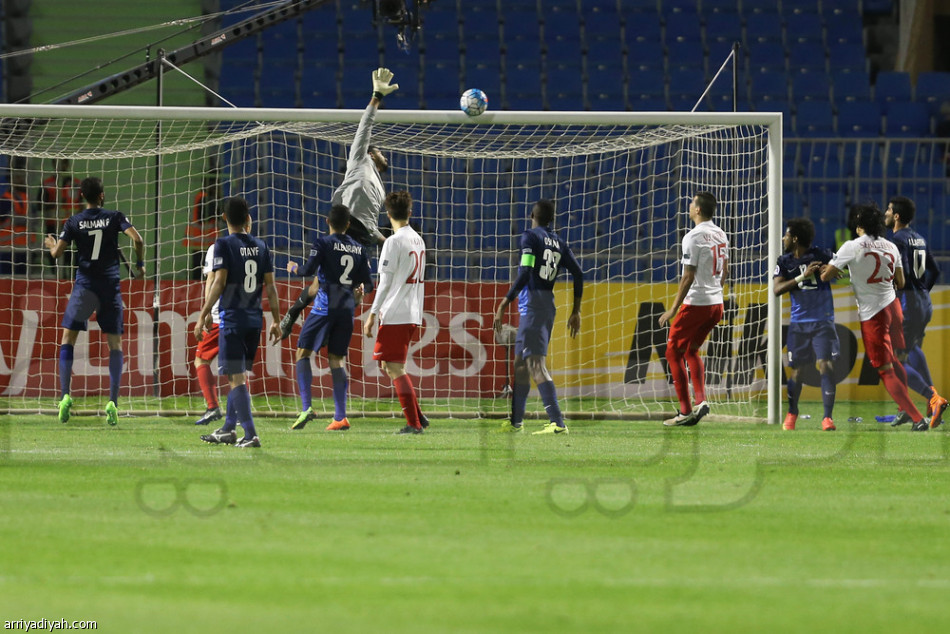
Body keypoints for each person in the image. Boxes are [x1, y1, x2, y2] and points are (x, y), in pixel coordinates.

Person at [278, 67, 398, 339]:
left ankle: (345, 312)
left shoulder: (380, 188)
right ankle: (295, 312)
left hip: (363, 236)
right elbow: (365, 127)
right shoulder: (359, 160)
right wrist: (376, 97)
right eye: (379, 150)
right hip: (345, 225)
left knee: (359, 285)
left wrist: (386, 241)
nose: (382, 153)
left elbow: (369, 222)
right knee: (321, 280)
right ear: (370, 152)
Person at [44, 176, 146, 426]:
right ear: (102, 195)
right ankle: (112, 401)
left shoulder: (74, 221)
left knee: (68, 338)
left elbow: (57, 253)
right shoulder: (115, 216)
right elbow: (138, 239)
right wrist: (140, 265)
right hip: (109, 287)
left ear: (81, 196)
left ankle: (65, 396)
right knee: (115, 344)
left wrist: (50, 245)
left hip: (85, 287)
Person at [820, 204, 929, 431]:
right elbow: (900, 282)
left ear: (859, 226)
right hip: (894, 308)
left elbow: (825, 276)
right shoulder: (890, 246)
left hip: (873, 314)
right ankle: (917, 406)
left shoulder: (852, 246)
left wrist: (829, 269)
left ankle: (917, 417)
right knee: (898, 360)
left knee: (884, 369)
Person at [194, 197, 282, 448]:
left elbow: (218, 282)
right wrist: (276, 321)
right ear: (248, 219)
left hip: (232, 319)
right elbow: (271, 288)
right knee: (238, 376)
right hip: (255, 321)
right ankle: (228, 429)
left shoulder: (223, 245)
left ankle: (251, 434)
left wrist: (203, 314)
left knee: (236, 379)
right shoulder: (261, 246)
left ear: (224, 218)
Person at [493, 199, 583, 435]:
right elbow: (578, 273)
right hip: (542, 305)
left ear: (532, 213)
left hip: (533, 305)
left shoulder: (530, 237)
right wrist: (576, 310)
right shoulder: (560, 243)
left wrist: (505, 301)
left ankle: (558, 422)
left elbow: (526, 271)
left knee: (534, 365)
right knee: (521, 365)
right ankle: (516, 422)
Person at [287, 204, 373, 431]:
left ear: (327, 221)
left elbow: (307, 270)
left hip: (324, 308)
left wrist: (294, 268)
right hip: (346, 310)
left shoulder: (322, 243)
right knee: (336, 359)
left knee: (302, 352)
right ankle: (340, 417)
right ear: (348, 225)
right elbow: (370, 284)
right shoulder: (359, 249)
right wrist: (359, 290)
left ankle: (306, 407)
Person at [658, 192, 728, 427]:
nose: (689, 206)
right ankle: (701, 400)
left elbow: (688, 276)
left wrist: (673, 309)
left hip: (696, 304)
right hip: (716, 304)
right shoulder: (721, 233)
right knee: (691, 350)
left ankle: (685, 411)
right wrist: (716, 293)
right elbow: (725, 269)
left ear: (698, 210)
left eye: (692, 203)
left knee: (672, 353)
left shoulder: (692, 237)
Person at [362, 191, 429, 434]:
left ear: (388, 214)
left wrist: (372, 314)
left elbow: (385, 283)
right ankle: (419, 416)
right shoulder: (418, 240)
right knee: (388, 366)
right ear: (410, 213)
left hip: (396, 313)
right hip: (412, 312)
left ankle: (414, 424)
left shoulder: (393, 241)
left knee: (394, 368)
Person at [885, 196, 947, 428]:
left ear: (897, 216)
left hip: (908, 305)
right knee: (913, 349)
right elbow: (935, 270)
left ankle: (933, 398)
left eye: (889, 210)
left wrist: (902, 292)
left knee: (894, 360)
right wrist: (921, 290)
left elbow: (902, 272)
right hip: (923, 302)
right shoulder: (919, 237)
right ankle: (928, 406)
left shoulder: (897, 240)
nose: (886, 213)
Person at [773, 218, 839, 431]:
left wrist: (835, 269)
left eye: (786, 235)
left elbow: (841, 267)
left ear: (796, 238)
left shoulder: (822, 255)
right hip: (799, 323)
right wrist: (803, 276)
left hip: (823, 321)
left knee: (825, 366)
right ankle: (792, 413)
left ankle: (827, 418)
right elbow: (777, 290)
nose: (784, 238)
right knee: (797, 372)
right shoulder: (783, 261)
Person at [39, 158, 82, 275]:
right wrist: (56, 203)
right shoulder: (46, 183)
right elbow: (39, 206)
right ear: (53, 164)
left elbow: (82, 204)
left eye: (63, 163)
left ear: (67, 164)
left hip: (72, 226)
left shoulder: (76, 183)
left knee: (73, 259)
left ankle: (73, 283)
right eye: (57, 163)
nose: (60, 166)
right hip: (53, 225)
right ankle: (58, 282)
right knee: (55, 260)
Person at [182, 174, 222, 281]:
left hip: (201, 242)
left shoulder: (200, 196)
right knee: (203, 273)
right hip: (202, 242)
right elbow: (204, 217)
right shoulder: (205, 199)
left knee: (202, 272)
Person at [0, 161, 31, 275]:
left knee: (22, 282)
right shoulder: (5, 199)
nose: (21, 179)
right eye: (17, 176)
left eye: (22, 176)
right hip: (8, 248)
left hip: (25, 247)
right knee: (8, 281)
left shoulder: (26, 197)